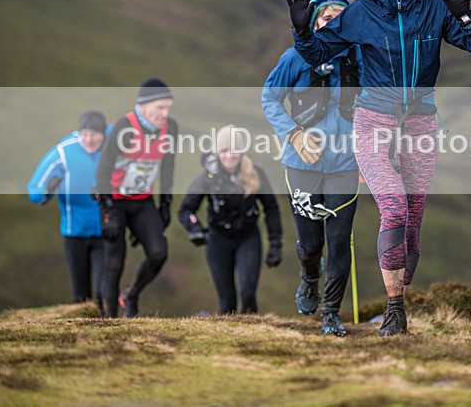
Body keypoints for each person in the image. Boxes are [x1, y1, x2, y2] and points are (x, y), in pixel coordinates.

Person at [285, 0, 471, 336]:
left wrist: (464, 15)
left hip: (419, 124)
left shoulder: (435, 8)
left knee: (412, 225)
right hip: (374, 122)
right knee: (394, 209)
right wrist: (302, 30)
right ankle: (396, 312)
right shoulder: (361, 12)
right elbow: (316, 53)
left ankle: (399, 295)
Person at [262, 0, 362, 337]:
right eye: (326, 17)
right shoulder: (293, 59)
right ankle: (308, 275)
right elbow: (269, 99)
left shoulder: (359, 57)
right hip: (300, 164)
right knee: (311, 245)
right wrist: (294, 134)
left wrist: (372, 156)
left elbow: (378, 106)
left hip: (346, 165)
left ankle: (330, 313)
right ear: (315, 22)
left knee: (338, 240)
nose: (333, 22)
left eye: (340, 17)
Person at [177, 125, 283, 314]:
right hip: (217, 239)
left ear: (242, 152)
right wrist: (195, 229)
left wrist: (275, 243)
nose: (229, 155)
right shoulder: (208, 177)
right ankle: (233, 341)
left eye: (235, 150)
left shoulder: (255, 173)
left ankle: (254, 337)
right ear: (217, 152)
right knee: (227, 302)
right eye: (224, 150)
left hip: (248, 238)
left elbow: (271, 208)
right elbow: (186, 210)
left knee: (248, 293)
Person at [94, 78, 177, 318]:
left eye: (168, 107)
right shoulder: (125, 126)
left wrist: (165, 205)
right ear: (143, 106)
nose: (165, 113)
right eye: (160, 107)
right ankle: (109, 322)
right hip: (115, 200)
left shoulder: (169, 127)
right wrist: (108, 212)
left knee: (159, 252)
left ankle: (130, 294)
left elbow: (168, 168)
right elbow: (102, 171)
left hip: (141, 200)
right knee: (114, 262)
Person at [27, 110, 107, 310]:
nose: (89, 140)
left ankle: (109, 333)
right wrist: (46, 192)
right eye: (84, 134)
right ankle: (83, 337)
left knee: (104, 292)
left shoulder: (113, 147)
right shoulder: (64, 152)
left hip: (105, 234)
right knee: (80, 296)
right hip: (75, 234)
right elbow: (34, 190)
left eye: (95, 134)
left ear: (103, 134)